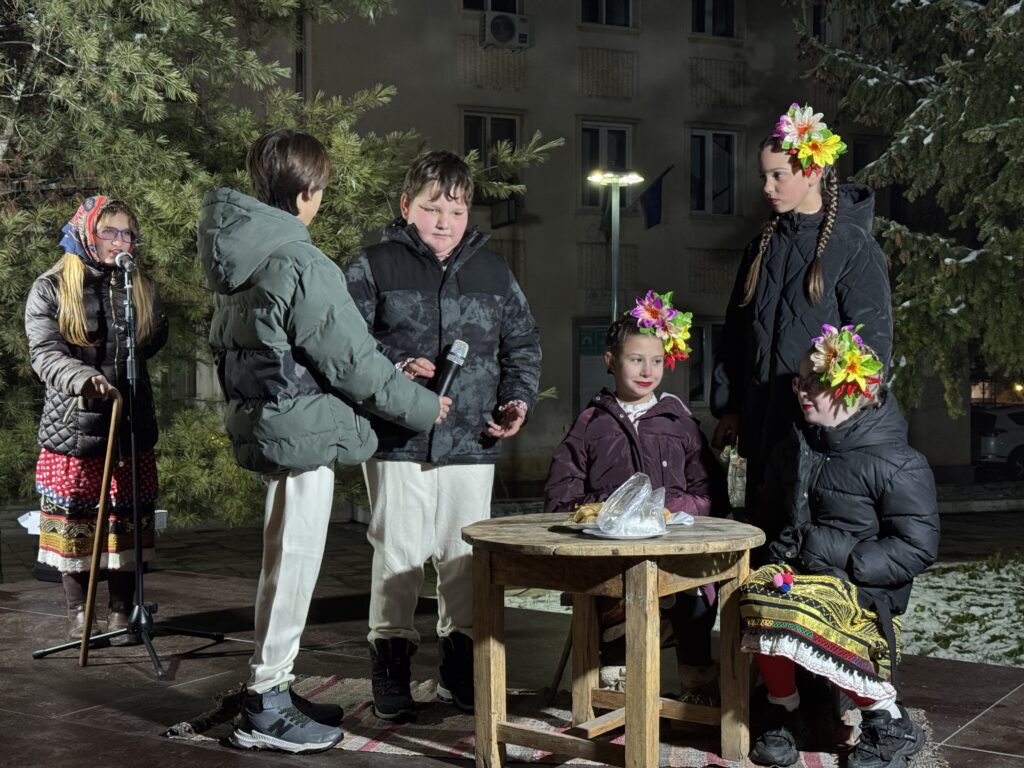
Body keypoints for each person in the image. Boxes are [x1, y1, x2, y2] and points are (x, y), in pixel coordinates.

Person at [198, 128, 449, 754]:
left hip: (272, 427)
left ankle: (271, 686)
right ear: (307, 190)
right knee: (294, 565)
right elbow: (353, 364)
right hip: (302, 435)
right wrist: (425, 407)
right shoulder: (300, 261)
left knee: (281, 559)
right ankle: (267, 703)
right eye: (322, 188)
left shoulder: (241, 258)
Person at [344, 149, 541, 722]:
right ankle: (391, 663)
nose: (444, 222)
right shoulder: (373, 265)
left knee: (462, 556)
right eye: (432, 208)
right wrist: (395, 367)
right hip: (396, 438)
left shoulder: (494, 272)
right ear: (407, 206)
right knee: (398, 550)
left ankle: (460, 666)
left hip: (472, 440)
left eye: (456, 211)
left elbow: (522, 344)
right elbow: (347, 343)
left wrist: (517, 400)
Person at [739, 325, 939, 768]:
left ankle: (889, 721)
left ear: (855, 387)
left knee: (789, 607)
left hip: (864, 589)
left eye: (816, 382)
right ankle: (785, 708)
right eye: (799, 381)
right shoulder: (791, 450)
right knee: (756, 592)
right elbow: (769, 517)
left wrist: (840, 555)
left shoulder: (898, 462)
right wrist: (776, 547)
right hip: (802, 577)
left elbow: (917, 546)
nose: (802, 391)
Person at [710, 103, 893, 552]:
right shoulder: (760, 246)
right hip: (761, 425)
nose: (767, 187)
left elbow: (871, 342)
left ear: (812, 172)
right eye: (764, 177)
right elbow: (736, 334)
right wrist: (730, 407)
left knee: (810, 549)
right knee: (761, 545)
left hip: (818, 434)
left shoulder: (852, 246)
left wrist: (834, 416)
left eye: (778, 175)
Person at [544, 291, 726, 702]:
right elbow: (562, 491)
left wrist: (673, 509)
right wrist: (591, 515)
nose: (647, 371)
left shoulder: (679, 423)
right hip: (611, 553)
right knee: (614, 598)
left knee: (696, 597)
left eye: (656, 361)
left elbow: (710, 493)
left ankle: (697, 681)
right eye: (636, 359)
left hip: (674, 550)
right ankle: (617, 684)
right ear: (611, 361)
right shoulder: (591, 422)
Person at [25, 196, 167, 645]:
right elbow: (44, 352)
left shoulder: (137, 287)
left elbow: (152, 341)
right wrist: (83, 379)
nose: (120, 241)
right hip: (76, 429)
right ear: (87, 234)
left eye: (127, 234)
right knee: (77, 524)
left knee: (125, 522)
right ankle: (80, 613)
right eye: (110, 232)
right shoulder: (51, 287)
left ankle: (122, 611)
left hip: (128, 427)